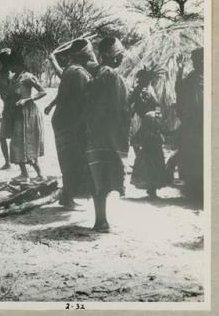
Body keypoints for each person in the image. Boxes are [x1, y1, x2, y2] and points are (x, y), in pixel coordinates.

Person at [83, 37, 130, 232]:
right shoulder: (108, 74)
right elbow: (109, 105)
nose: (121, 58)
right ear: (110, 56)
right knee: (102, 173)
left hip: (100, 129)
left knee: (99, 173)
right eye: (118, 55)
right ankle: (100, 221)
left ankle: (100, 220)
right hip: (106, 131)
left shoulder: (102, 72)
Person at [44, 39, 95, 208]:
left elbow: (64, 93)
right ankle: (68, 198)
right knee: (73, 159)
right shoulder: (79, 73)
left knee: (67, 159)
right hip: (71, 121)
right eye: (90, 52)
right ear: (85, 55)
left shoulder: (71, 70)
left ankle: (68, 196)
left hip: (62, 120)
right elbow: (82, 101)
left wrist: (51, 105)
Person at [7, 51, 47, 182]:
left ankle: (40, 174)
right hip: (18, 114)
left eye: (12, 64)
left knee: (29, 143)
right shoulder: (13, 78)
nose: (10, 67)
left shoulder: (28, 77)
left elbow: (43, 92)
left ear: (18, 64)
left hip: (29, 115)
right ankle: (24, 174)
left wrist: (28, 100)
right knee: (16, 144)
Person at [129, 68, 167, 198]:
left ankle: (151, 186)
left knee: (149, 156)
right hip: (148, 125)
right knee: (151, 156)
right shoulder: (144, 91)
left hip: (149, 125)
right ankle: (151, 186)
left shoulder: (145, 90)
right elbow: (147, 108)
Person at [175, 47, 204, 203]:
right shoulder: (191, 79)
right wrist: (179, 71)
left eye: (199, 59)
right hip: (192, 126)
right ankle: (194, 191)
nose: (196, 63)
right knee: (193, 158)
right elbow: (179, 92)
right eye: (194, 60)